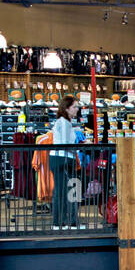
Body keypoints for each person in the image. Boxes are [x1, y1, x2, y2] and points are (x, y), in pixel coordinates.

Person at [49, 95, 82, 230]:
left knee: (67, 190)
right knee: (64, 191)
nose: (77, 109)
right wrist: (78, 145)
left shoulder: (66, 123)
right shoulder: (63, 122)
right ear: (67, 108)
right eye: (74, 107)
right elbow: (63, 144)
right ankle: (60, 222)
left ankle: (65, 221)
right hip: (61, 159)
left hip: (65, 158)